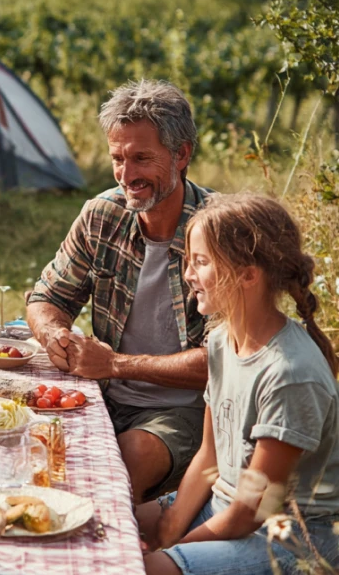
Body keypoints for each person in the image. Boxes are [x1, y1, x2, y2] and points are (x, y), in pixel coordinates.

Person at [26, 79, 210, 503]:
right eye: (117, 159)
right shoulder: (102, 215)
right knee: (27, 446)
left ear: (181, 155)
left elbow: (226, 361)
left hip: (186, 409)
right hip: (101, 392)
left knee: (123, 464)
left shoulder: (219, 231)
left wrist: (114, 364)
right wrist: (55, 334)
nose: (127, 176)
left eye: (141, 158)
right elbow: (47, 298)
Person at [139, 193, 339, 574]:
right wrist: (169, 529)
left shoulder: (289, 374)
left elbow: (252, 509)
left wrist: (171, 549)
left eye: (200, 262)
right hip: (224, 504)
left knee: (142, 569)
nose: (188, 275)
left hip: (290, 533)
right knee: (104, 524)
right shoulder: (220, 340)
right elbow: (209, 456)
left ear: (248, 274)